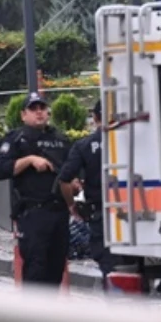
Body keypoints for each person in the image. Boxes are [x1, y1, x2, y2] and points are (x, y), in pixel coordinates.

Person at [0, 92, 71, 286]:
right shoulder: (16, 139)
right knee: (36, 268)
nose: (39, 113)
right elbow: (1, 170)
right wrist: (29, 160)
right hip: (33, 213)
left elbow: (71, 170)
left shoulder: (60, 139)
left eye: (42, 109)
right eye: (33, 109)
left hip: (59, 211)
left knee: (56, 267)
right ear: (23, 115)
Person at [59, 101, 128, 290]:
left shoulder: (83, 146)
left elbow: (64, 180)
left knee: (111, 271)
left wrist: (71, 206)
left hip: (103, 217)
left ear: (95, 117)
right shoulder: (132, 142)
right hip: (136, 213)